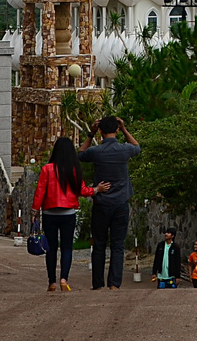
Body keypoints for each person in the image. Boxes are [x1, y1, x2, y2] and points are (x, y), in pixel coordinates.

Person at [31, 136, 108, 293]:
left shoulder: (47, 169)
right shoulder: (74, 170)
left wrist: (34, 212)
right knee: (67, 247)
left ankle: (51, 282)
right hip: (68, 213)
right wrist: (96, 190)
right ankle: (64, 279)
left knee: (50, 248)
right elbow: (82, 190)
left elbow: (40, 192)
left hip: (49, 213)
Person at [80, 115, 142, 290]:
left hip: (101, 203)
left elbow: (80, 154)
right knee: (117, 246)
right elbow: (137, 148)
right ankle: (114, 284)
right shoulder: (124, 150)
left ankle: (98, 284)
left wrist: (90, 134)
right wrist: (124, 129)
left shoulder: (96, 151)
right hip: (121, 203)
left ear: (100, 131)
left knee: (99, 245)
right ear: (116, 130)